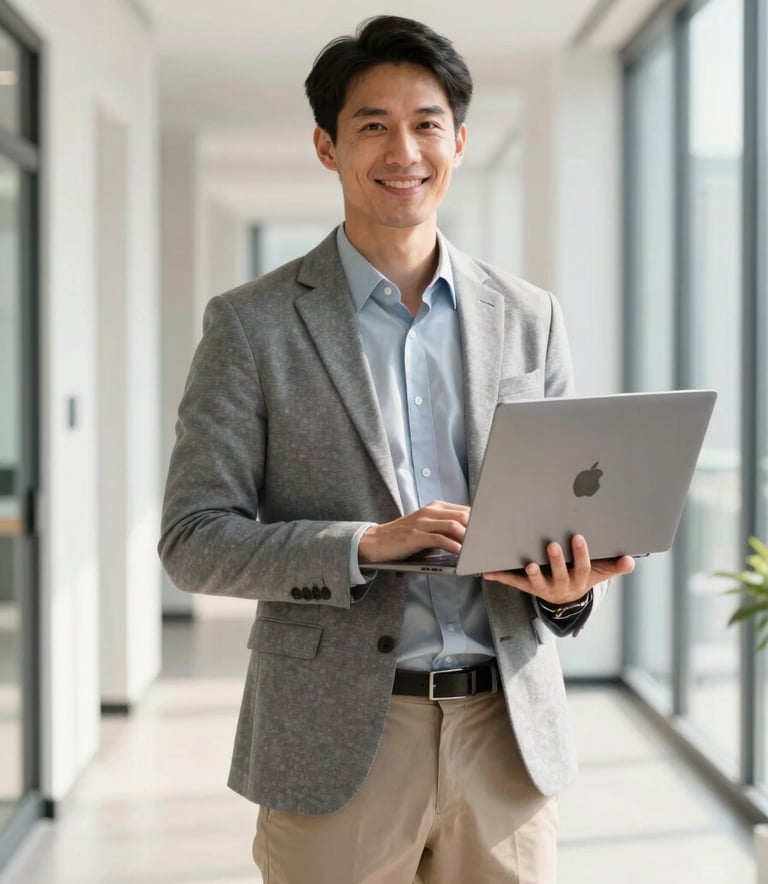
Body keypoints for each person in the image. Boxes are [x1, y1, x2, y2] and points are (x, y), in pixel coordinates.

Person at [159, 14, 634, 884]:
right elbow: (193, 539)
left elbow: (565, 517)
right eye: (372, 125)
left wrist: (567, 595)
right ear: (326, 146)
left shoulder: (530, 317)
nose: (402, 149)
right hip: (334, 741)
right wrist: (363, 544)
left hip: (506, 739)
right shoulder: (251, 325)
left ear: (458, 138)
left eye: (425, 123)